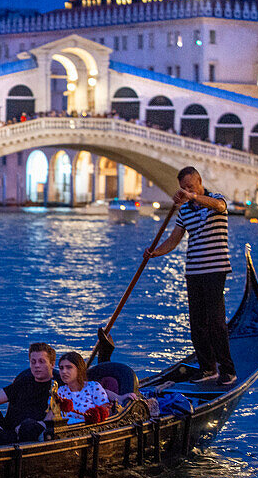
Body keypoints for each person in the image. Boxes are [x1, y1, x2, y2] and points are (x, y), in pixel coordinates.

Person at [145, 166, 236, 387]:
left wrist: (194, 197)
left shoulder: (215, 199)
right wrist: (155, 252)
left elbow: (220, 206)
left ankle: (228, 370)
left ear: (199, 182)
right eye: (183, 188)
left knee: (216, 322)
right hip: (193, 271)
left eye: (190, 186)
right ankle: (208, 368)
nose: (187, 191)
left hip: (215, 269)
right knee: (197, 324)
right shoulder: (184, 211)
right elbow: (174, 239)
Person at [0, 343, 59, 448]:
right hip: (9, 433)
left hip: (29, 435)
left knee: (28, 426)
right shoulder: (24, 381)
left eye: (41, 361)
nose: (36, 366)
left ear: (52, 364)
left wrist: (32, 425)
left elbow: (54, 418)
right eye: (33, 362)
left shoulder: (58, 386)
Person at [54, 351, 136, 424]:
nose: (64, 371)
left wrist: (119, 398)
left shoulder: (93, 387)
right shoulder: (60, 391)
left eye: (69, 367)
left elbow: (105, 412)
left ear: (79, 369)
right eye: (61, 368)